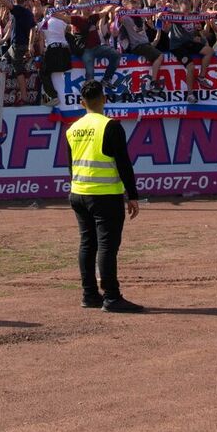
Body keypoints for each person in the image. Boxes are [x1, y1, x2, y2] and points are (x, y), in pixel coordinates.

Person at [65, 80, 143, 312]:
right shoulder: (111, 126)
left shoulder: (72, 129)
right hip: (105, 196)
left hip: (78, 193)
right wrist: (133, 194)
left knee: (87, 244)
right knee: (107, 246)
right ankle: (111, 297)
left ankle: (89, 294)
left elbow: (71, 166)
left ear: (82, 102)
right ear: (104, 100)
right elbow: (123, 163)